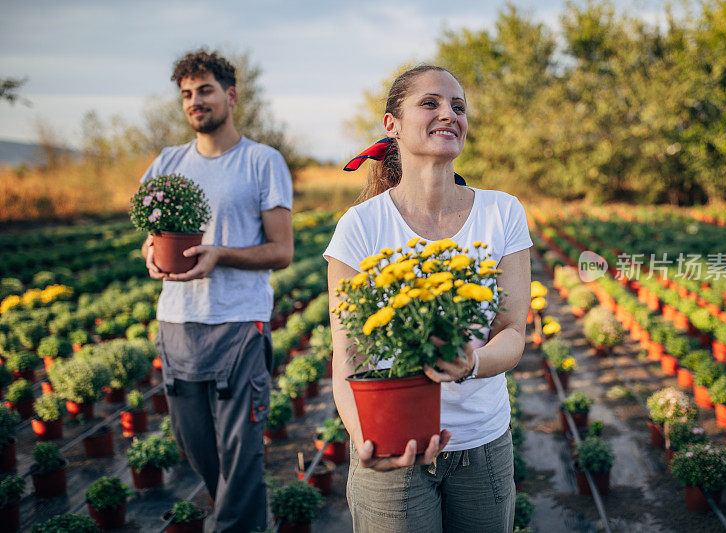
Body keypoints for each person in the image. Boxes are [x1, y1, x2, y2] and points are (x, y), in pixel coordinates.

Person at [324, 65, 532, 532]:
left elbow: (513, 331)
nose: (449, 114)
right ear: (391, 125)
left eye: (458, 107)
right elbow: (348, 355)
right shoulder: (360, 227)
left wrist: (472, 364)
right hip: (393, 446)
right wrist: (364, 440)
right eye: (431, 103)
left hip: (481, 444)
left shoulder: (502, 212)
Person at [139, 49, 293, 533]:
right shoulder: (167, 162)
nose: (194, 101)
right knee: (198, 451)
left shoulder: (261, 162)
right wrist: (150, 250)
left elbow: (282, 250)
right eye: (186, 94)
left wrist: (219, 253)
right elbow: (150, 232)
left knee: (241, 459)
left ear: (229, 95)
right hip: (178, 325)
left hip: (237, 326)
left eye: (204, 90)